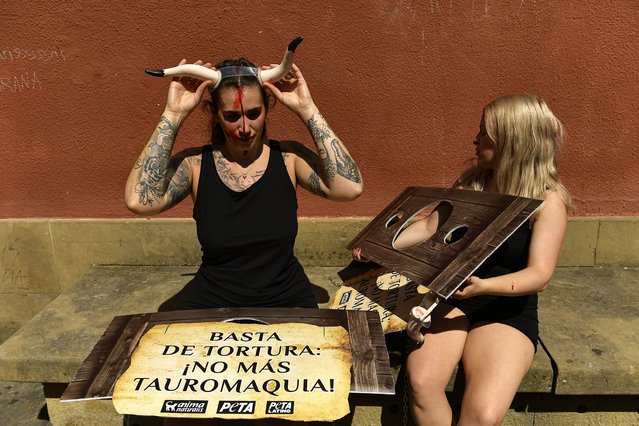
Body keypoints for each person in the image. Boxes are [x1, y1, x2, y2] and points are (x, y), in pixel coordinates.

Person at [354, 93, 571, 426]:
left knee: (483, 415)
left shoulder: (546, 200)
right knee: (423, 383)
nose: (475, 138)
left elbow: (539, 274)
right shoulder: (473, 184)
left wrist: (486, 286)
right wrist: (380, 247)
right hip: (455, 296)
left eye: (484, 132)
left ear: (511, 141)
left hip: (506, 307)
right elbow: (429, 227)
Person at [125, 54, 363, 311]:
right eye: (231, 116)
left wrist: (307, 109)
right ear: (215, 114)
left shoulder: (289, 159)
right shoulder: (195, 165)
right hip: (213, 302)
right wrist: (173, 114)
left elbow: (349, 188)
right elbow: (139, 202)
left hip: (287, 299)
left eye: (254, 113)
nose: (245, 127)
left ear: (267, 108)